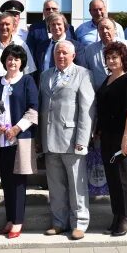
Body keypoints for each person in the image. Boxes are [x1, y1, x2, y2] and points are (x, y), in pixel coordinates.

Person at [39, 40, 95, 240]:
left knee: (76, 185)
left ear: (73, 55)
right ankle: (59, 222)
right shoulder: (45, 75)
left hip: (72, 139)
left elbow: (88, 109)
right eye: (57, 53)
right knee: (55, 185)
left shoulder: (83, 74)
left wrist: (83, 139)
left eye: (64, 53)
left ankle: (79, 223)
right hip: (49, 139)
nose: (61, 56)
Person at [0, 44, 39, 239]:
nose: (13, 62)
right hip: (0, 139)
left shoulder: (27, 81)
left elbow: (33, 108)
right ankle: (9, 219)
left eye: (16, 59)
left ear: (22, 62)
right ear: (4, 61)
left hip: (20, 139)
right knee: (7, 181)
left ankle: (17, 222)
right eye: (9, 58)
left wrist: (16, 129)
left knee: (18, 182)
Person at [0, 12, 36, 193]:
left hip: (18, 99)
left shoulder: (21, 45)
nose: (4, 27)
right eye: (1, 24)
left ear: (14, 26)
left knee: (16, 168)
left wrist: (16, 127)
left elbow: (29, 72)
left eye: (8, 24)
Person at [96, 42, 127, 237]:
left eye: (115, 57)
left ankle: (126, 216)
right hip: (106, 136)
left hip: (121, 136)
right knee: (112, 178)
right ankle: (116, 214)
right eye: (108, 57)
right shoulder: (107, 80)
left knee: (123, 178)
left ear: (123, 59)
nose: (111, 60)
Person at [77, 17, 127, 96]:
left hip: (125, 95)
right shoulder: (89, 50)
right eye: (101, 29)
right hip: (100, 97)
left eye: (108, 28)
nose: (105, 31)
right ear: (98, 31)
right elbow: (86, 75)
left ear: (115, 30)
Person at [33, 12, 81, 79]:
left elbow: (80, 69)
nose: (56, 27)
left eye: (59, 24)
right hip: (45, 85)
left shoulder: (76, 46)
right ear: (49, 27)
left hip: (67, 86)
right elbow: (38, 68)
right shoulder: (42, 46)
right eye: (52, 24)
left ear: (65, 26)